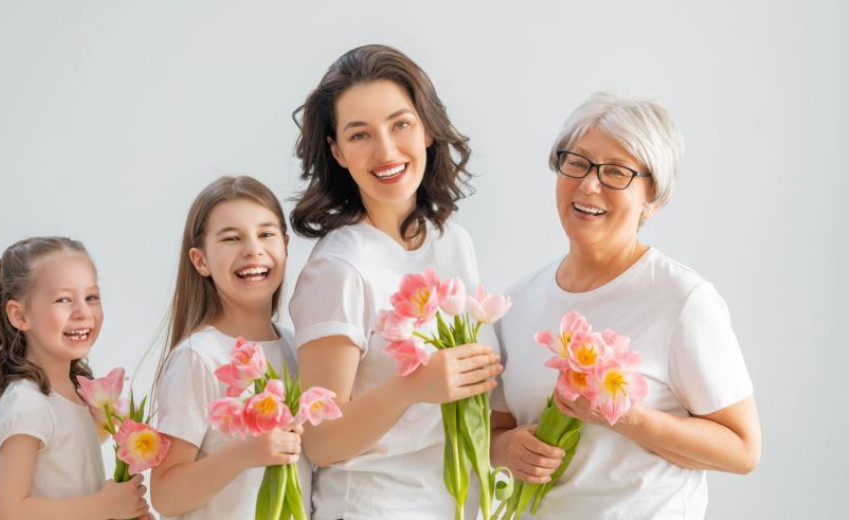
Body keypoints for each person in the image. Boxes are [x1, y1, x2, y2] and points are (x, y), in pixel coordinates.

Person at [490, 92, 761, 519]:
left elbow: (743, 450)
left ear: (653, 199)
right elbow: (495, 427)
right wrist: (503, 448)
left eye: (615, 172)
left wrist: (628, 418)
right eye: (576, 162)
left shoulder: (682, 300)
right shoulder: (517, 302)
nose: (588, 184)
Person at [289, 44, 503, 519]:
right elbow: (320, 440)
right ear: (337, 152)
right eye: (360, 134)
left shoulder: (453, 243)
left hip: (456, 503)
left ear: (427, 128)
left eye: (400, 124)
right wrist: (411, 387)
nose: (386, 151)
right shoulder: (339, 269)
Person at [150, 176, 311, 519]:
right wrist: (245, 453)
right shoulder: (198, 357)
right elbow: (165, 494)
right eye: (231, 238)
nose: (253, 249)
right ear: (200, 261)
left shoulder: (299, 348)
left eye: (266, 234)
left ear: (285, 245)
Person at [0, 236, 149, 520]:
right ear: (19, 316)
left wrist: (118, 510)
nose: (83, 313)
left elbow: (67, 480)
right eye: (63, 300)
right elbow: (9, 511)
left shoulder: (74, 393)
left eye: (91, 297)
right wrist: (105, 506)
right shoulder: (27, 402)